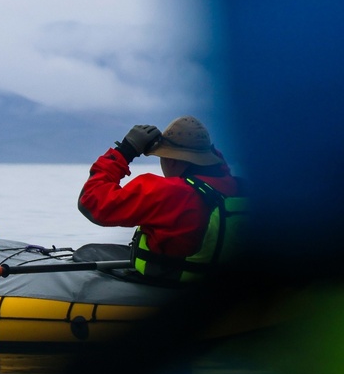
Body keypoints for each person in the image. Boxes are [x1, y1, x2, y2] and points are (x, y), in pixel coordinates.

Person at [78, 116, 247, 282]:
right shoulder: (238, 188)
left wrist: (125, 151)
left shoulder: (168, 193)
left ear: (170, 160)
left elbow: (91, 201)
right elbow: (221, 171)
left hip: (169, 284)